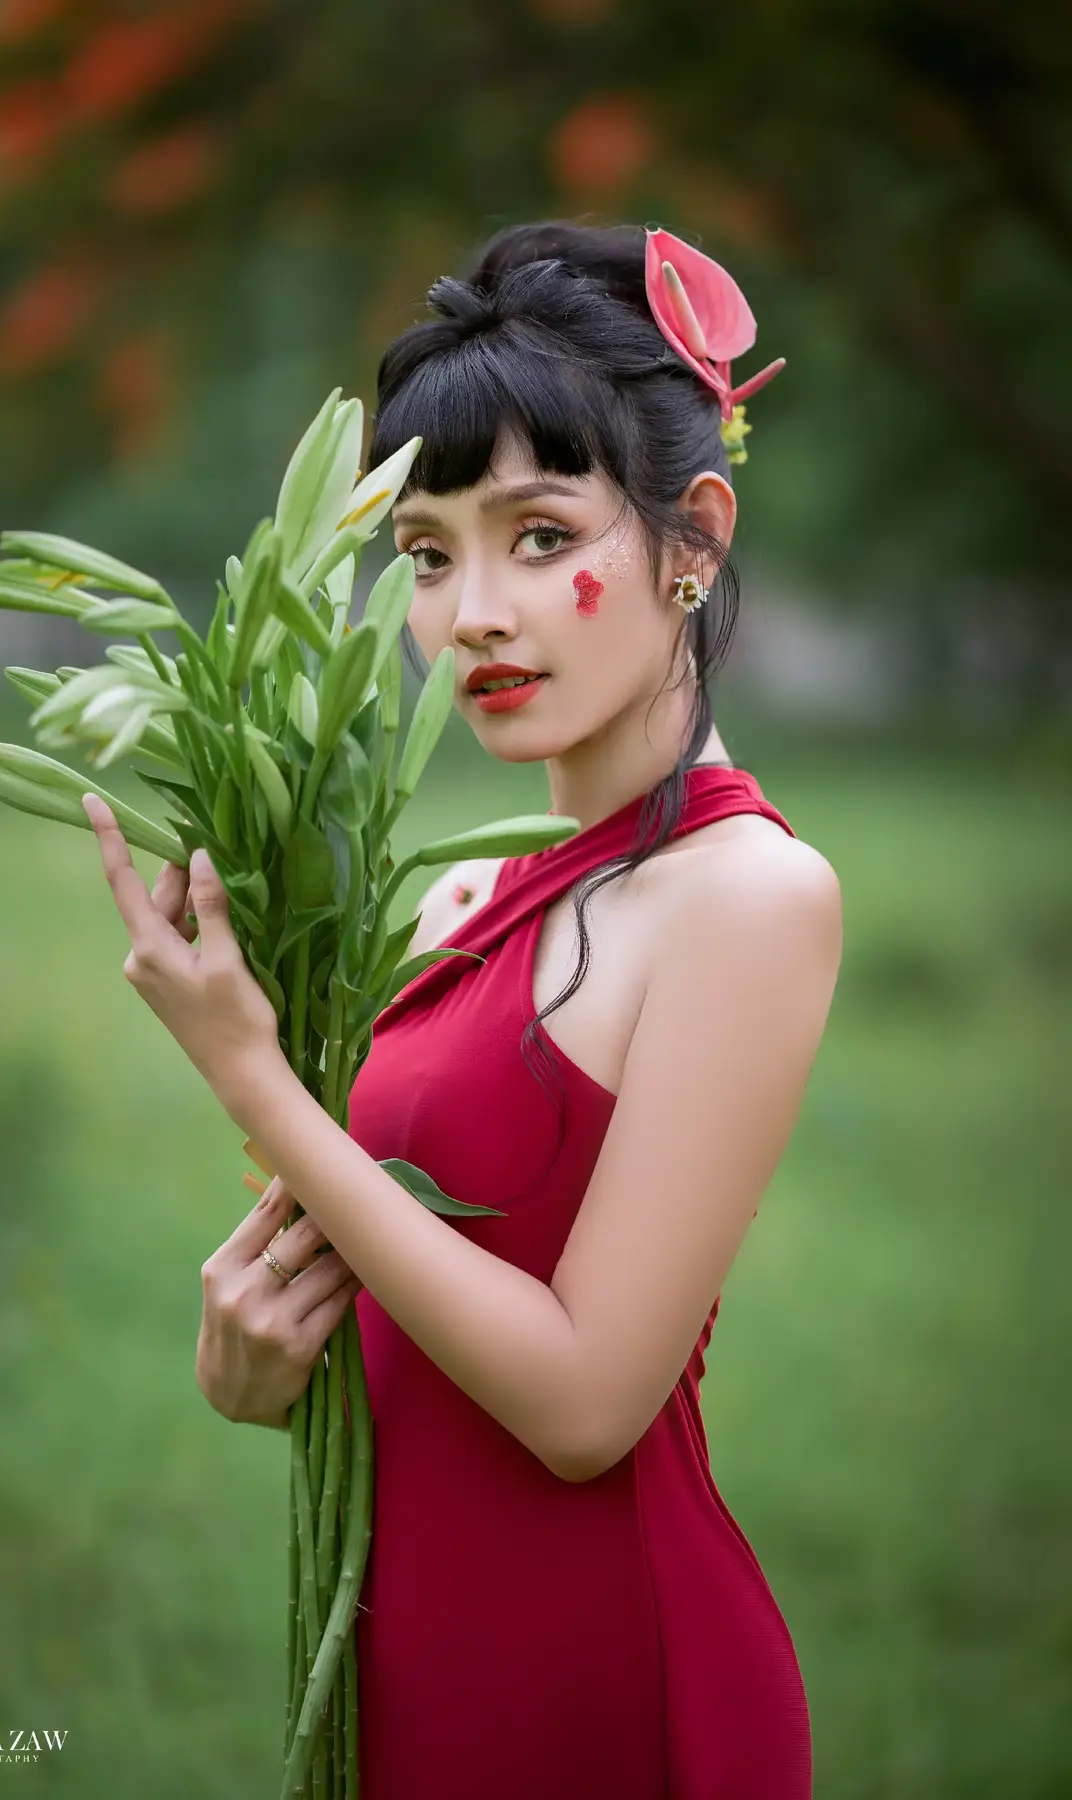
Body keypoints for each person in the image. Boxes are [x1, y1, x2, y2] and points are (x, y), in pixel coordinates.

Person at [194, 219, 843, 1798]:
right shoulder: (447, 897)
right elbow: (402, 1301)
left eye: (541, 535)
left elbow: (580, 1405)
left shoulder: (749, 898)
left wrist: (255, 1084)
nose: (473, 609)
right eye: (428, 554)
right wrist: (259, 1366)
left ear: (693, 539)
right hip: (413, 1661)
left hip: (613, 1675)